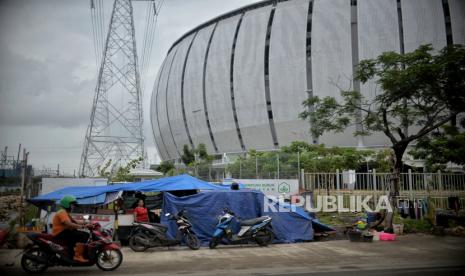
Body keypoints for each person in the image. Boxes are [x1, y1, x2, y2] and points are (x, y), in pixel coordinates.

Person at [52, 195, 90, 263]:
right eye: (72, 205)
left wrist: (87, 224)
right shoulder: (62, 212)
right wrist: (82, 227)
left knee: (77, 233)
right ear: (67, 204)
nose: (73, 207)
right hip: (60, 233)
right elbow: (68, 223)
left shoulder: (65, 212)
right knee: (84, 235)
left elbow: (75, 221)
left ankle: (71, 253)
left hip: (64, 232)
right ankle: (78, 256)